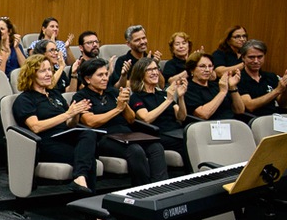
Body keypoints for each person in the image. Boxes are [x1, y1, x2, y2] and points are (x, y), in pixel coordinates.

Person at [75, 58, 168, 186]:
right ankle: (143, 189)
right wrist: (117, 109)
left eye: (106, 74)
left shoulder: (112, 92)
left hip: (127, 135)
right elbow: (90, 122)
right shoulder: (81, 96)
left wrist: (124, 105)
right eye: (100, 75)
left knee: (156, 147)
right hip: (104, 137)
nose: (105, 78)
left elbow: (131, 119)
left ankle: (160, 186)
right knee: (135, 150)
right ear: (87, 79)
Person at [13, 55, 97, 194]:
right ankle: (86, 199)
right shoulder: (25, 99)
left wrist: (75, 113)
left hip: (65, 137)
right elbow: (35, 127)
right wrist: (67, 114)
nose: (48, 74)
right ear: (31, 74)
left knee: (88, 134)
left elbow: (70, 124)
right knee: (88, 160)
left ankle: (80, 182)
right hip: (45, 142)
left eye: (49, 70)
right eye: (42, 71)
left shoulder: (55, 94)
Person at [129, 57, 189, 167]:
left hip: (175, 132)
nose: (155, 72)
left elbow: (181, 117)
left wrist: (181, 98)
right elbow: (146, 118)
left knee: (195, 138)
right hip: (158, 134)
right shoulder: (136, 97)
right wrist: (168, 100)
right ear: (140, 74)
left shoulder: (163, 94)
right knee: (188, 143)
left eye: (156, 69)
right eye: (150, 70)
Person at [184, 52, 244, 120]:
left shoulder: (217, 85)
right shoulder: (187, 89)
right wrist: (222, 92)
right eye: (202, 66)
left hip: (231, 123)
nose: (207, 70)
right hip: (208, 125)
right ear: (191, 69)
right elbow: (203, 115)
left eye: (210, 66)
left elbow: (240, 110)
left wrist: (232, 87)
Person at [237, 39, 287, 116]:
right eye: (251, 57)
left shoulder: (270, 77)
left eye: (260, 57)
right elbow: (250, 106)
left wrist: (285, 88)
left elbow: (282, 104)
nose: (256, 61)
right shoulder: (238, 78)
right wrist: (277, 91)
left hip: (274, 117)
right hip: (253, 119)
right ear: (243, 57)